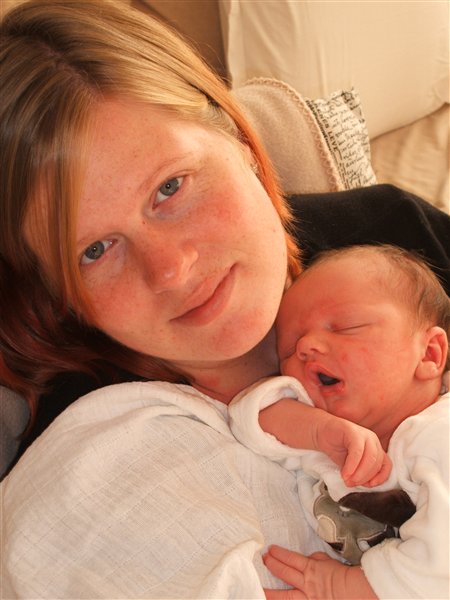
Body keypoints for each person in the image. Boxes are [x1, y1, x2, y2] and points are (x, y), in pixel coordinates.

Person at [0, 0, 449, 597]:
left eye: (170, 188)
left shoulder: (393, 239)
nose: (169, 269)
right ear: (59, 292)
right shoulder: (95, 462)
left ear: (237, 138)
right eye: (95, 249)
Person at [229, 244, 449, 599]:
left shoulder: (439, 432)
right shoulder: (327, 438)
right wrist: (316, 429)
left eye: (346, 327)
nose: (306, 346)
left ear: (429, 354)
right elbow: (248, 419)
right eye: (289, 349)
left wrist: (339, 587)